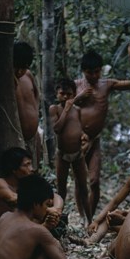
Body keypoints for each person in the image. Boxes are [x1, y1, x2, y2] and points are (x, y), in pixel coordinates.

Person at [74, 46, 130, 213]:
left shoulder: (107, 84)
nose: (93, 76)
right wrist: (78, 98)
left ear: (101, 70)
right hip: (76, 140)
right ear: (83, 71)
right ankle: (82, 217)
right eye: (89, 72)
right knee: (80, 181)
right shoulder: (76, 86)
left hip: (94, 140)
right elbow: (60, 106)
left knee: (94, 181)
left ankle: (90, 215)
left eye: (96, 72)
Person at [84, 147, 130, 245]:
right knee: (110, 217)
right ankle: (91, 240)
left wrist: (127, 214)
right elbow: (115, 202)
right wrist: (97, 220)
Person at [0, 147, 64, 237]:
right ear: (14, 169)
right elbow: (14, 199)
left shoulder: (25, 184)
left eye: (30, 164)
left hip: (16, 228)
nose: (31, 169)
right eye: (26, 165)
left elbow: (56, 197)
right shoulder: (0, 183)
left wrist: (56, 210)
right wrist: (47, 209)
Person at [50, 78, 91, 225]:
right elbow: (57, 128)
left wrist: (84, 137)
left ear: (74, 94)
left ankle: (89, 220)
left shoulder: (78, 111)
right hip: (62, 155)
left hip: (78, 154)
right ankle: (59, 221)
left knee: (83, 188)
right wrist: (66, 109)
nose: (66, 97)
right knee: (61, 189)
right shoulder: (54, 109)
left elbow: (80, 129)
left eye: (69, 94)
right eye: (62, 94)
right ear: (57, 94)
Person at [14, 41, 42, 168]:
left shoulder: (28, 75)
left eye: (23, 67)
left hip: (33, 136)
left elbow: (36, 94)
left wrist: (35, 112)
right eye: (16, 66)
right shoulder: (5, 80)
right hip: (15, 138)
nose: (20, 71)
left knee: (33, 171)